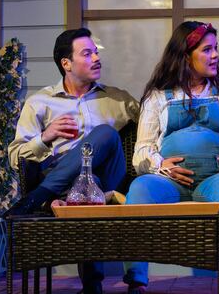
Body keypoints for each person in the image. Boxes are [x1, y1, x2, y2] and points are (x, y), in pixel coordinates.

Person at [123, 21, 219, 294]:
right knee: (139, 189)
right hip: (169, 183)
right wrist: (161, 166)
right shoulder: (158, 97)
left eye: (216, 48)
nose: (215, 55)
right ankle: (136, 281)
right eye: (207, 50)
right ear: (185, 56)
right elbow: (140, 154)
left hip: (215, 180)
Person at [7, 27, 139, 294]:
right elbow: (14, 156)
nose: (96, 58)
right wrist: (46, 136)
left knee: (104, 134)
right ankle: (92, 287)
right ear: (66, 63)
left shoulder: (118, 99)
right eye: (87, 53)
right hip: (74, 181)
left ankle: (38, 199)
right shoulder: (40, 102)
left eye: (96, 52)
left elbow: (153, 124)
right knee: (90, 186)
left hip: (108, 175)